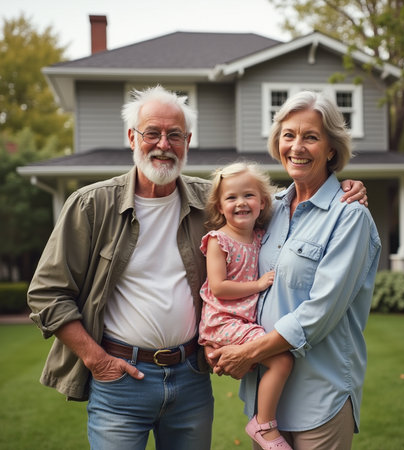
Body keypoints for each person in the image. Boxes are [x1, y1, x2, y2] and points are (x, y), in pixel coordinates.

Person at [27, 85, 368, 450]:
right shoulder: (92, 205)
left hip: (190, 379)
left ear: (187, 141)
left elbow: (275, 202)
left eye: (174, 134)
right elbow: (47, 294)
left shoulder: (209, 201)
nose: (163, 144)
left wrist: (343, 187)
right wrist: (97, 361)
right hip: (121, 380)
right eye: (152, 133)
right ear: (131, 138)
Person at [207, 91, 381, 450]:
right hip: (267, 401)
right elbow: (223, 191)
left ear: (331, 149)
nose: (297, 147)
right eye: (289, 135)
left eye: (310, 137)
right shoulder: (270, 209)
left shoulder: (349, 216)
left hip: (319, 395)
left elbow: (320, 312)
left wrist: (248, 353)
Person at [198, 161, 293, 450]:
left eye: (248, 195)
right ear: (219, 206)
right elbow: (219, 288)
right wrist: (259, 284)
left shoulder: (262, 237)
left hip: (242, 323)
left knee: (271, 359)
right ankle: (263, 425)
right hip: (223, 321)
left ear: (263, 202)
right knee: (281, 359)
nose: (241, 203)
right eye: (231, 197)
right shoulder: (218, 241)